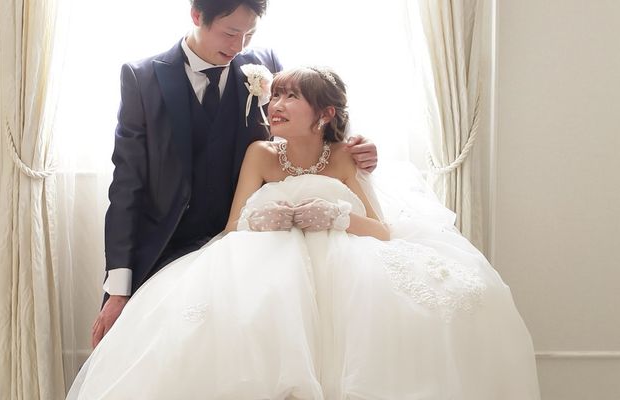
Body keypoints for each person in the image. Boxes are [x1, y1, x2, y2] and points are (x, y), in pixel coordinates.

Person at [68, 66, 541, 399]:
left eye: (290, 97)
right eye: (274, 96)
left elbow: (381, 230)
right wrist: (260, 220)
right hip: (269, 265)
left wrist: (337, 217)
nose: (275, 105)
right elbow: (233, 226)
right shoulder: (260, 153)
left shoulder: (345, 157)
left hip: (344, 268)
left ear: (325, 113)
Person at [93, 0, 378, 348]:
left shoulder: (264, 64)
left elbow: (309, 121)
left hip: (251, 248)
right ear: (197, 16)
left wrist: (355, 147)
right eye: (230, 33)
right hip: (168, 246)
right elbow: (127, 185)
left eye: (249, 34)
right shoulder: (142, 78)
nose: (239, 46)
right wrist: (118, 290)